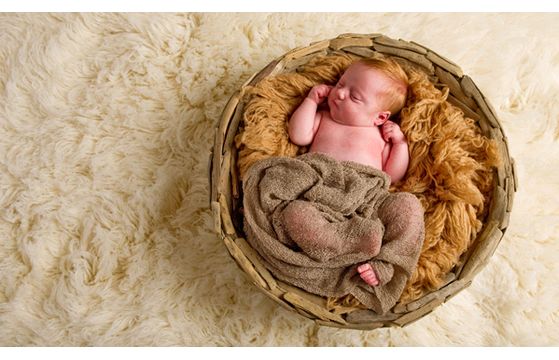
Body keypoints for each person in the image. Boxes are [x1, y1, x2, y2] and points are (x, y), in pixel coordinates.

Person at [285, 56, 415, 287]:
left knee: (408, 206)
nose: (340, 93)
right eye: (341, 84)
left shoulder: (381, 136)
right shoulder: (324, 117)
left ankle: (386, 262)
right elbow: (299, 135)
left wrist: (400, 145)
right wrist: (311, 100)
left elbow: (393, 175)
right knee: (295, 212)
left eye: (354, 96)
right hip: (322, 197)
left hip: (367, 203)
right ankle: (343, 246)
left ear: (380, 117)